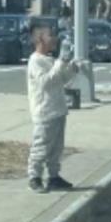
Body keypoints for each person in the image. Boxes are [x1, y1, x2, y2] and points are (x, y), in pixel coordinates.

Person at [26, 23, 79, 193]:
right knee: (41, 146)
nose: (54, 39)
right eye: (50, 35)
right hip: (44, 111)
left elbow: (60, 80)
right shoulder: (35, 61)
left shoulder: (49, 60)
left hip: (57, 109)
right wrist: (60, 62)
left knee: (56, 148)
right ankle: (34, 177)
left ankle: (54, 176)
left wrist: (70, 68)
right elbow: (46, 82)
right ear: (40, 38)